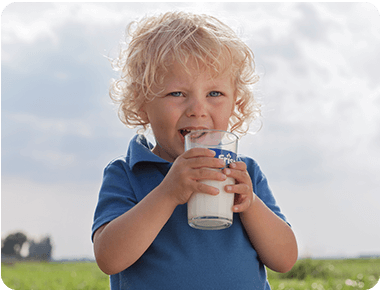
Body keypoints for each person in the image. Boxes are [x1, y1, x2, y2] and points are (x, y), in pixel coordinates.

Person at [92, 11, 298, 290]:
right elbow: (109, 257)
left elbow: (285, 259)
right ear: (142, 104)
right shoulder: (128, 174)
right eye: (177, 93)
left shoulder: (244, 173)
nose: (198, 110)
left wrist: (251, 205)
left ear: (235, 102)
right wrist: (168, 192)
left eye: (214, 94)